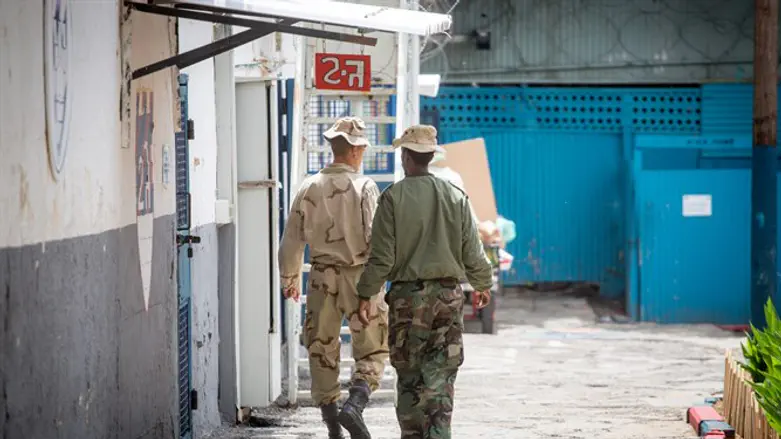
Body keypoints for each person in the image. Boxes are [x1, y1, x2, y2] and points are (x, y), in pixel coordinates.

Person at [354, 125, 494, 439]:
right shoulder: (455, 196)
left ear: (405, 157)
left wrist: (366, 294)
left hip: (407, 300)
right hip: (447, 295)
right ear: (430, 156)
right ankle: (439, 434)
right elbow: (472, 249)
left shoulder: (392, 198)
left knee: (408, 374)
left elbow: (382, 257)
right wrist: (482, 284)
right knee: (441, 373)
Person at [279, 117, 388, 439]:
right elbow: (377, 240)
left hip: (322, 277)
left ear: (333, 146)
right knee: (372, 348)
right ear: (357, 150)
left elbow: (291, 241)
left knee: (321, 348)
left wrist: (290, 278)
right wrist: (375, 286)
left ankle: (332, 427)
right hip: (361, 277)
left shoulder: (309, 186)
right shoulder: (365, 187)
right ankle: (355, 405)